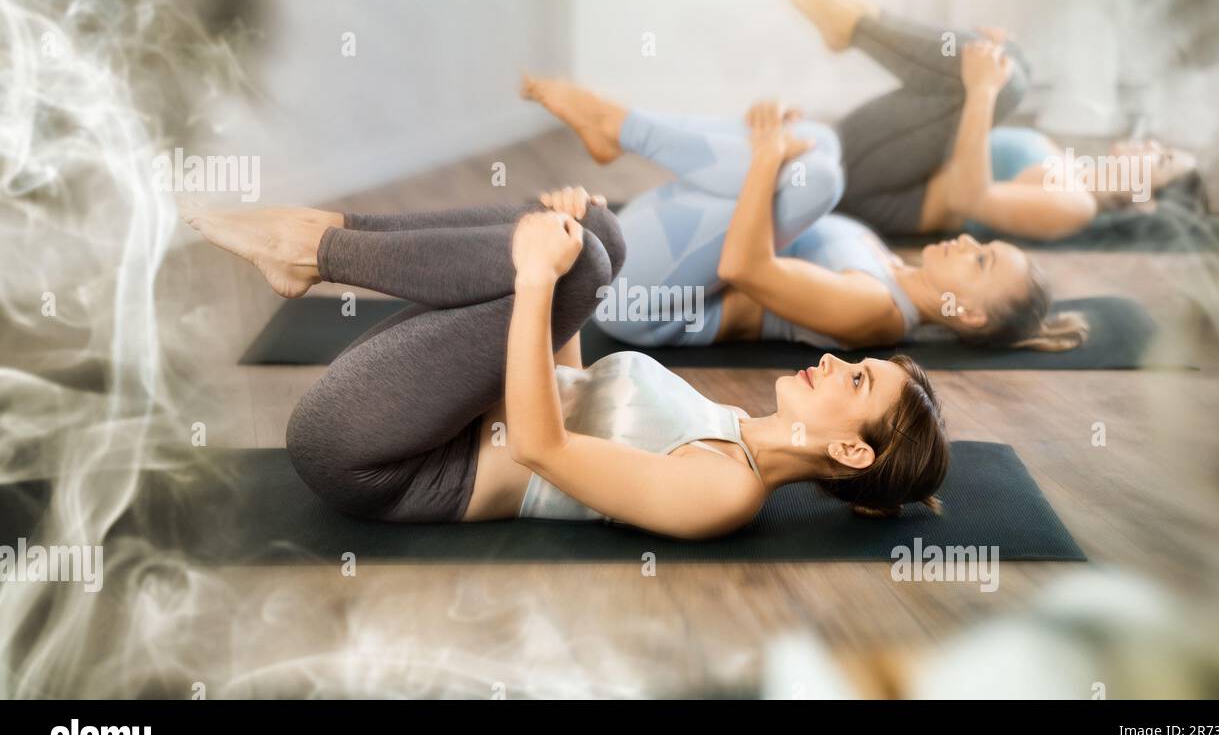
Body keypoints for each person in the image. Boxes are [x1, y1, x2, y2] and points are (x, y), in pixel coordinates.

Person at [184, 189, 949, 535]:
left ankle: (318, 246)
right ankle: (327, 237)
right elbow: (570, 385)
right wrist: (560, 270)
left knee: (571, 262)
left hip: (377, 455)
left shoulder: (727, 492)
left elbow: (539, 445)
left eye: (857, 379)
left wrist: (540, 281)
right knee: (596, 233)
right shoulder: (734, 427)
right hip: (421, 401)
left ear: (852, 449)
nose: (830, 360)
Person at [522, 77, 1088, 352]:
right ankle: (616, 131)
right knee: (817, 145)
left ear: (967, 313)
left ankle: (621, 128)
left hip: (636, 297)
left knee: (815, 174)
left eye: (981, 260)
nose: (968, 240)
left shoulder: (877, 311)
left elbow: (745, 265)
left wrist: (765, 155)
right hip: (667, 242)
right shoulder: (890, 265)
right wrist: (764, 145)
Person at [781, 0, 1199, 241]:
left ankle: (857, 26)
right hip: (887, 158)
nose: (1151, 147)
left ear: (1146, 200)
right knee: (1016, 66)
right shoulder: (1065, 164)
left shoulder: (1075, 205)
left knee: (1008, 82)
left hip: (876, 188)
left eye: (1160, 162)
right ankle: (857, 26)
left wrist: (982, 92)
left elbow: (970, 198)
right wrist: (1000, 63)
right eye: (1162, 147)